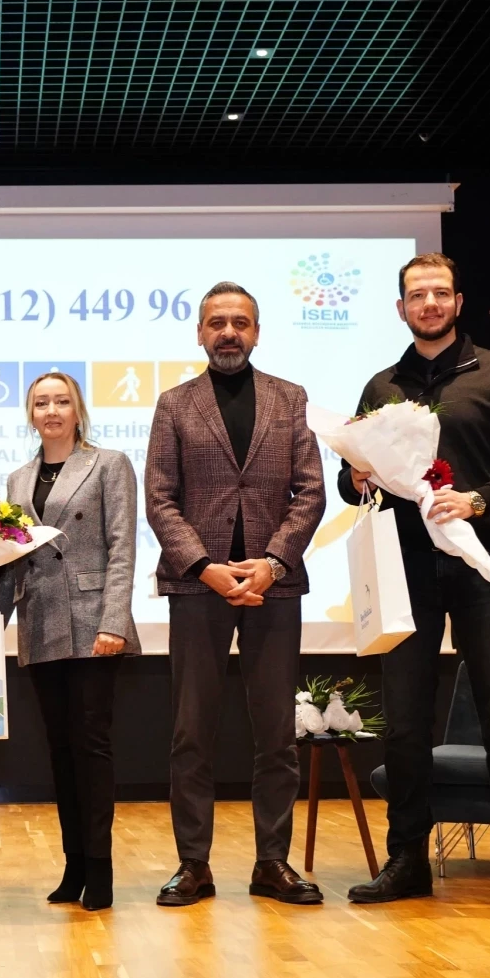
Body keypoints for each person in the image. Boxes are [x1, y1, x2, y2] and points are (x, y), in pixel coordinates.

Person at [340, 253, 490, 912]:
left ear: (458, 301)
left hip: (483, 563)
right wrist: (354, 480)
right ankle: (406, 859)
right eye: (416, 294)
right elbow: (350, 479)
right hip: (405, 570)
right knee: (404, 722)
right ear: (400, 308)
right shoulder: (380, 386)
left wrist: (478, 500)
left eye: (439, 293)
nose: (428, 303)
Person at [145, 282, 327, 908]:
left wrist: (273, 564)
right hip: (199, 589)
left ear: (257, 331)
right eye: (216, 322)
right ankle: (193, 864)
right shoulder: (174, 404)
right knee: (191, 733)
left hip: (275, 589)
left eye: (240, 322)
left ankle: (271, 863)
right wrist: (206, 569)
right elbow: (160, 499)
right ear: (199, 332)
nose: (228, 332)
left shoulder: (289, 398)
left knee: (275, 733)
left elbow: (310, 492)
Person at [0, 371, 139, 911]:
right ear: (30, 413)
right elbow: (12, 565)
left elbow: (122, 547)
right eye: (41, 402)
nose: (51, 410)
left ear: (77, 409)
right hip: (40, 623)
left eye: (61, 401)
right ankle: (73, 865)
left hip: (93, 623)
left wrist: (114, 623)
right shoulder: (15, 479)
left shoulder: (109, 464)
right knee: (59, 751)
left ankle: (99, 870)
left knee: (91, 749)